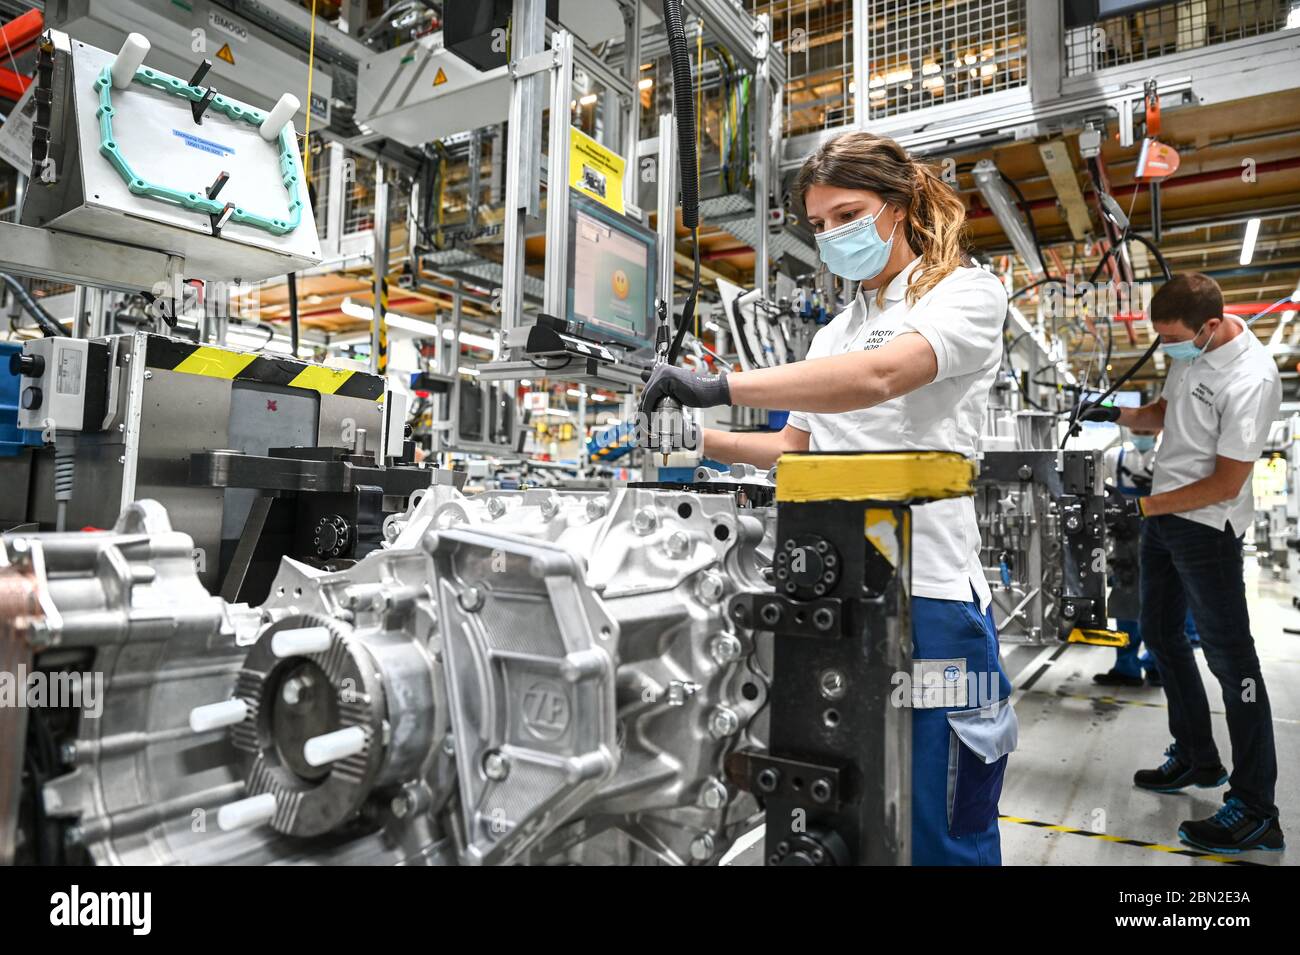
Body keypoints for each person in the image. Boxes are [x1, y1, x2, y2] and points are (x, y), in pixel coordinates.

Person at [639, 130, 1016, 865]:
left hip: (932, 600)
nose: (832, 235)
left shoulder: (965, 293)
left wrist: (719, 386)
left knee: (944, 822)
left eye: (846, 214)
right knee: (841, 810)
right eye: (818, 225)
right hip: (834, 591)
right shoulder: (835, 333)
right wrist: (697, 439)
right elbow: (793, 451)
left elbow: (883, 377)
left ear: (900, 204)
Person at [1081, 272, 1284, 853]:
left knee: (1232, 662)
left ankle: (1255, 807)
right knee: (1164, 639)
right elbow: (1162, 414)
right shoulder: (1190, 353)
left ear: (1211, 326)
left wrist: (1138, 504)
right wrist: (1114, 417)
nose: (1166, 348)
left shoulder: (1251, 377)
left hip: (1206, 529)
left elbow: (1225, 482)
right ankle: (1197, 756)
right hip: (1165, 519)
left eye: (1172, 338)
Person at [1096, 427, 1162, 688]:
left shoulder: (1168, 457)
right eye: (1138, 429)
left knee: (1160, 604)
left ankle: (1158, 665)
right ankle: (1127, 667)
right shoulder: (1115, 457)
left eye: (1147, 429)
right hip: (1125, 540)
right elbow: (1096, 484)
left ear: (1158, 429)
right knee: (1125, 603)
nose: (1142, 434)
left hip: (1160, 538)